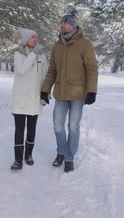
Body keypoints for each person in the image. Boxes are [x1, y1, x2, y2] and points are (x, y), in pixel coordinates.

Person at [41, 10, 98, 172]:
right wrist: (45, 90)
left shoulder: (84, 44)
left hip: (78, 94)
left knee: (73, 127)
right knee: (58, 126)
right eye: (61, 23)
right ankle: (61, 150)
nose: (62, 25)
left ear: (72, 26)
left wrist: (92, 91)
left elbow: (92, 69)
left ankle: (69, 157)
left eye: (65, 23)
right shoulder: (57, 45)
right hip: (61, 93)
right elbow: (52, 71)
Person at [10, 28, 47, 170]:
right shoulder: (18, 53)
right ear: (25, 39)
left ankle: (28, 155)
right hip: (20, 98)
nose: (35, 40)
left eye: (36, 37)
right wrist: (33, 54)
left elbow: (45, 75)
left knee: (32, 129)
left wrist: (45, 93)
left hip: (34, 98)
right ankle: (17, 160)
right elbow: (21, 70)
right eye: (32, 37)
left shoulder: (42, 56)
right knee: (19, 129)